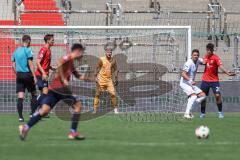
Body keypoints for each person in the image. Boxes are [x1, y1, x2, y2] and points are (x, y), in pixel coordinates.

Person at [19, 43, 88, 140]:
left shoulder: (71, 63)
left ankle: (25, 127)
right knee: (78, 106)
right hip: (60, 88)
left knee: (44, 111)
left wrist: (93, 78)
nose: (82, 55)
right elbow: (59, 62)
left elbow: (78, 76)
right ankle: (73, 132)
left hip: (54, 89)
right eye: (82, 52)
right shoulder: (68, 57)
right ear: (78, 51)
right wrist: (63, 78)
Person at [200, 43, 235, 118]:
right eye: (207, 50)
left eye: (210, 50)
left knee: (217, 95)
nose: (209, 51)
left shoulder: (216, 58)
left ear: (213, 50)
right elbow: (203, 62)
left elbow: (221, 66)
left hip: (214, 81)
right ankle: (202, 113)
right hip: (205, 80)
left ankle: (220, 112)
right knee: (203, 97)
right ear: (206, 50)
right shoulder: (206, 56)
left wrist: (227, 73)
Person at [12, 35, 38, 122]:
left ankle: (20, 117)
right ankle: (32, 114)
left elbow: (13, 65)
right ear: (28, 41)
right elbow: (30, 64)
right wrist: (34, 76)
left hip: (19, 75)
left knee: (20, 96)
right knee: (34, 94)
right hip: (27, 75)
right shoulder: (28, 50)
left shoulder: (16, 51)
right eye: (30, 41)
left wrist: (17, 73)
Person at [180, 49, 206, 119]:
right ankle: (186, 113)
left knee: (203, 95)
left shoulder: (198, 60)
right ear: (191, 55)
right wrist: (191, 80)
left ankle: (189, 110)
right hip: (184, 83)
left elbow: (204, 61)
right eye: (194, 55)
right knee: (194, 96)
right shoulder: (188, 63)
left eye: (197, 55)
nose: (196, 56)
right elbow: (183, 74)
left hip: (191, 83)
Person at [93, 48, 119, 114]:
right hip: (101, 80)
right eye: (108, 52)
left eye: (110, 52)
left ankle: (115, 109)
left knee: (113, 94)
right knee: (97, 94)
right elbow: (96, 68)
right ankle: (95, 109)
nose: (109, 54)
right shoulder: (101, 59)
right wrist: (95, 77)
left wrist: (116, 78)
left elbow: (115, 69)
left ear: (111, 53)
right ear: (106, 53)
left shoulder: (113, 60)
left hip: (109, 80)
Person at [35, 34, 55, 114]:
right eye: (52, 40)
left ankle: (40, 111)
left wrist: (51, 68)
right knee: (45, 92)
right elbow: (38, 62)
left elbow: (45, 63)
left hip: (45, 75)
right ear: (48, 41)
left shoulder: (49, 50)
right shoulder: (43, 49)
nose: (54, 41)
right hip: (40, 75)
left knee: (44, 93)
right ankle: (35, 105)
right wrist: (43, 73)